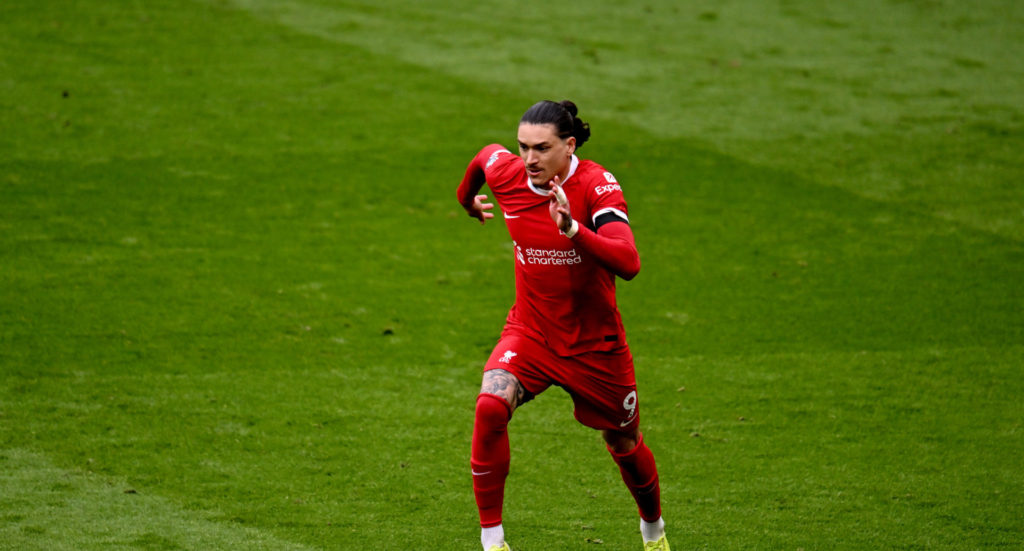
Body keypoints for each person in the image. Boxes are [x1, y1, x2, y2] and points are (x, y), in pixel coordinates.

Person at [456, 100, 669, 551]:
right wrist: (466, 200)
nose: (529, 159)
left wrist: (573, 229)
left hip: (595, 344)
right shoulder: (509, 173)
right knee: (491, 404)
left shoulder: (596, 185)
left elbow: (629, 262)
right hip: (531, 331)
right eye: (523, 147)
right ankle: (492, 543)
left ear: (569, 146)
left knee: (625, 442)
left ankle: (654, 533)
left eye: (542, 148)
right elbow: (483, 157)